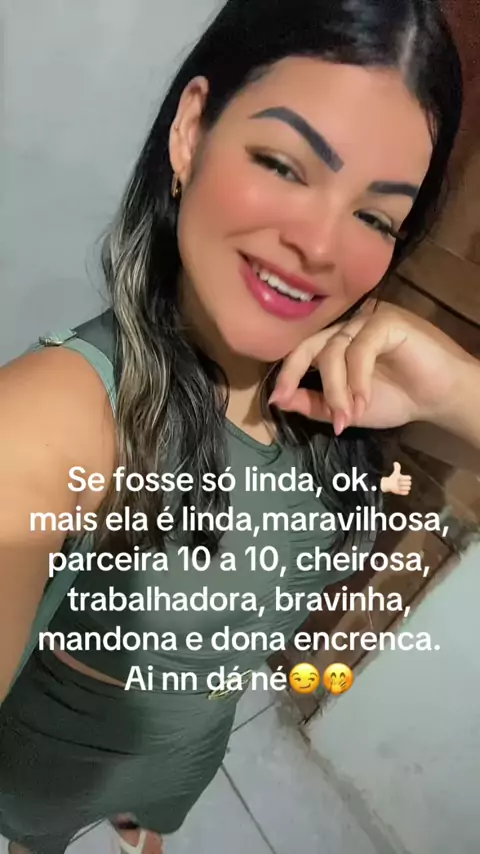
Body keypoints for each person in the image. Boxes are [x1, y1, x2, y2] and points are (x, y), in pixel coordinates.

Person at [1, 1, 479, 852]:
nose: (322, 247)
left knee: (153, 823)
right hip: (51, 769)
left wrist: (456, 391)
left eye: (376, 217)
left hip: (190, 750)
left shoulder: (350, 398)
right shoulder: (60, 416)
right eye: (285, 164)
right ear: (192, 132)